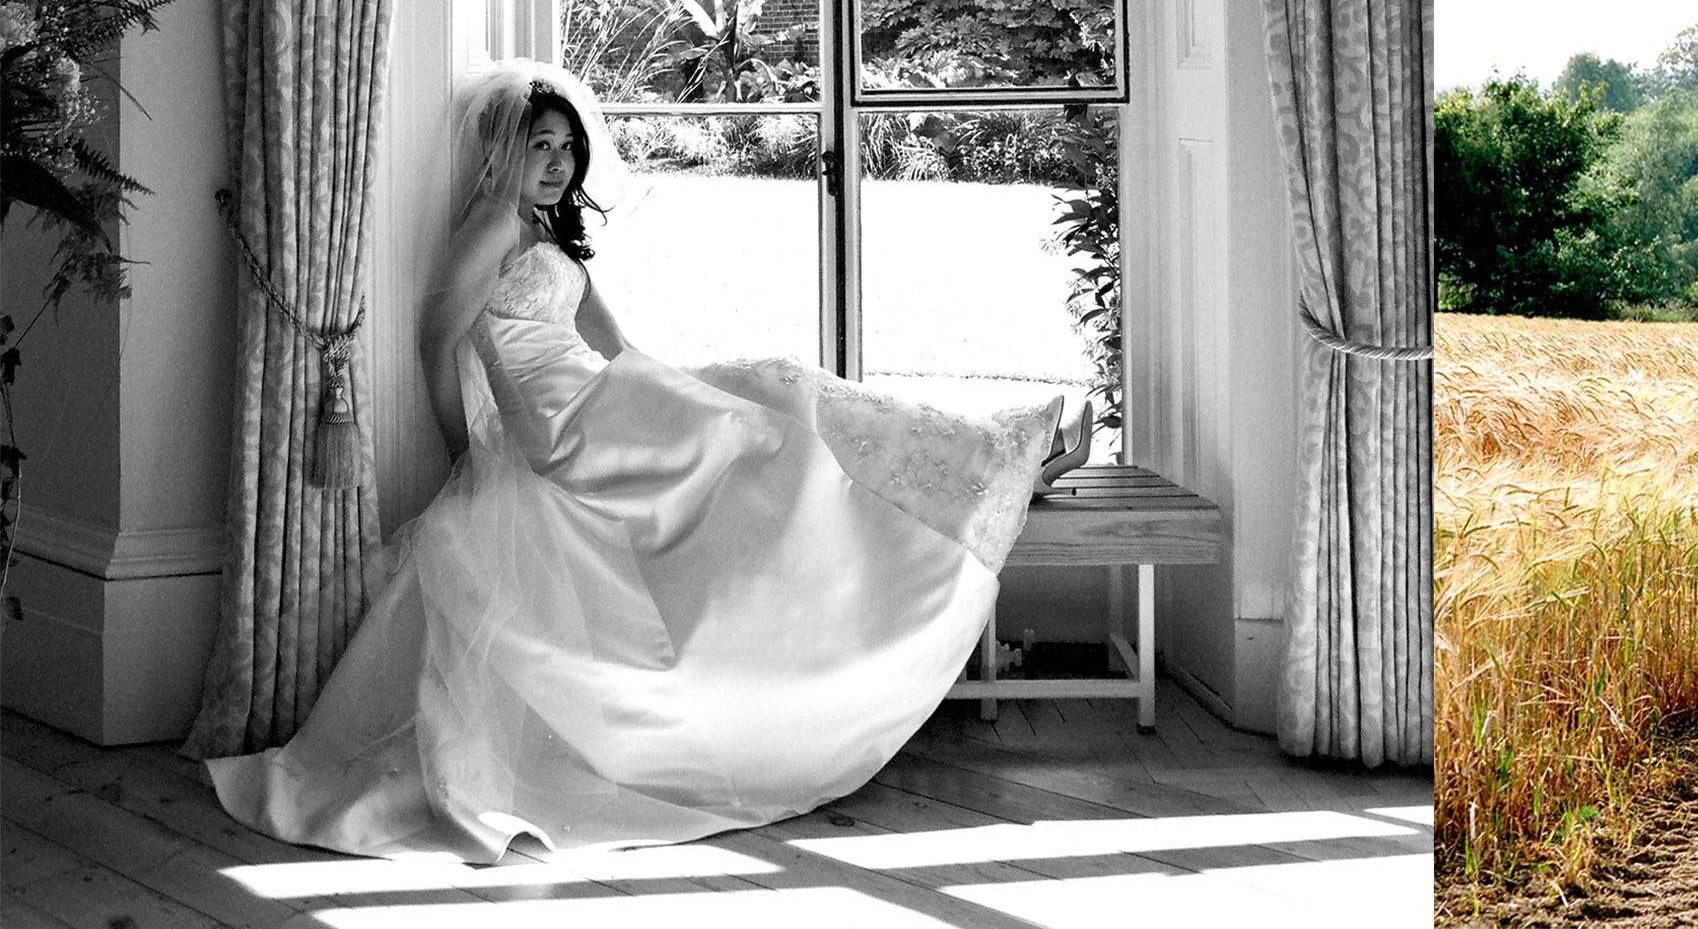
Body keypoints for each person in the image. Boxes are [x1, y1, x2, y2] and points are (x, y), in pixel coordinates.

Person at [206, 61, 1081, 862]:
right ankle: (997, 466)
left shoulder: (543, 226)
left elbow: (618, 346)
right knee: (783, 435)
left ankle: (1003, 459)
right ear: (503, 151)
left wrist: (702, 391)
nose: (557, 161)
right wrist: (466, 456)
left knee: (776, 390)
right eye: (540, 145)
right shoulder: (488, 229)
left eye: (567, 147)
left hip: (605, 399)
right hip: (564, 429)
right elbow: (437, 347)